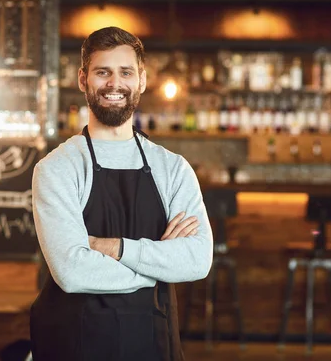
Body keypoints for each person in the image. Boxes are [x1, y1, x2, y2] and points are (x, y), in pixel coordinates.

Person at [30, 26, 213, 361]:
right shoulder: (58, 168)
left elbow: (197, 261)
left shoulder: (172, 168)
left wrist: (110, 247)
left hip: (153, 341)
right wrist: (159, 265)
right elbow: (71, 273)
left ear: (141, 80)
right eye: (103, 72)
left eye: (125, 72)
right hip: (75, 344)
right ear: (83, 80)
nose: (114, 84)